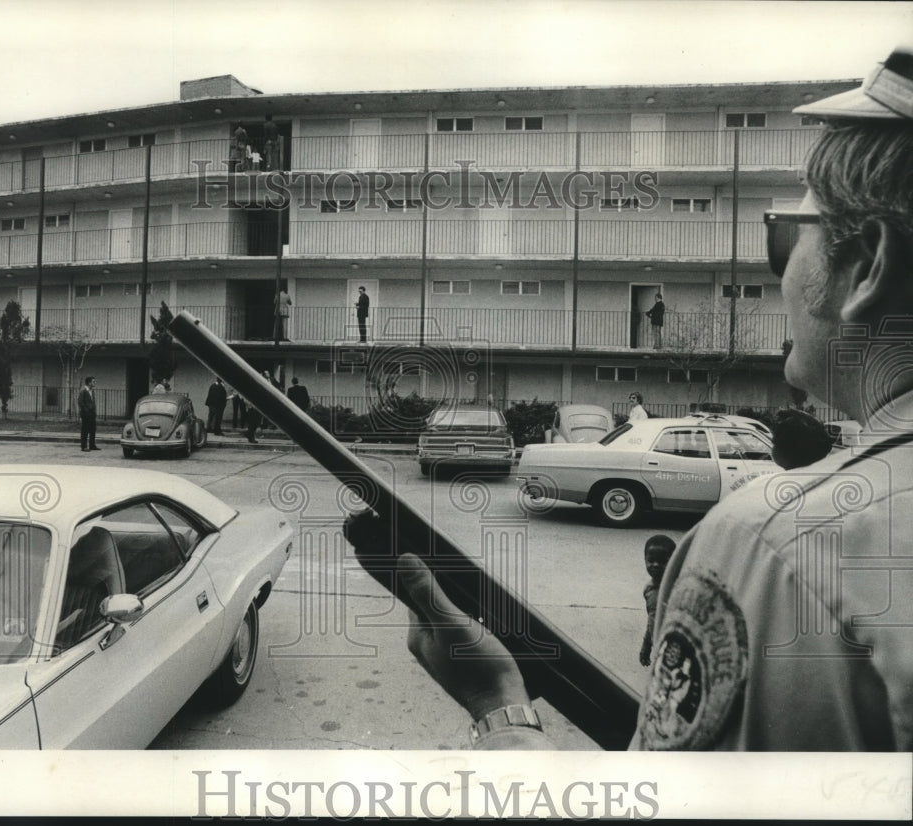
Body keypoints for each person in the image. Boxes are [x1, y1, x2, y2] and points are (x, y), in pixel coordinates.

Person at [378, 44, 913, 751]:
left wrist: (498, 703)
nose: (777, 272)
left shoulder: (778, 546)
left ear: (868, 264)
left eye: (785, 238)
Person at [638, 535, 677, 667]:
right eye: (651, 560)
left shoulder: (678, 588)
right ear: (644, 560)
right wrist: (646, 646)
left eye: (662, 561)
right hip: (660, 648)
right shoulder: (650, 589)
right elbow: (652, 621)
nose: (655, 565)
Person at [77, 376, 99, 451]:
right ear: (89, 382)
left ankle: (92, 445)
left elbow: (92, 402)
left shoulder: (92, 391)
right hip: (86, 414)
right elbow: (80, 402)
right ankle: (84, 446)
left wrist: (94, 411)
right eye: (93, 382)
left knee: (93, 430)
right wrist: (86, 411)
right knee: (85, 430)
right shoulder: (83, 391)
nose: (94, 383)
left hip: (92, 414)